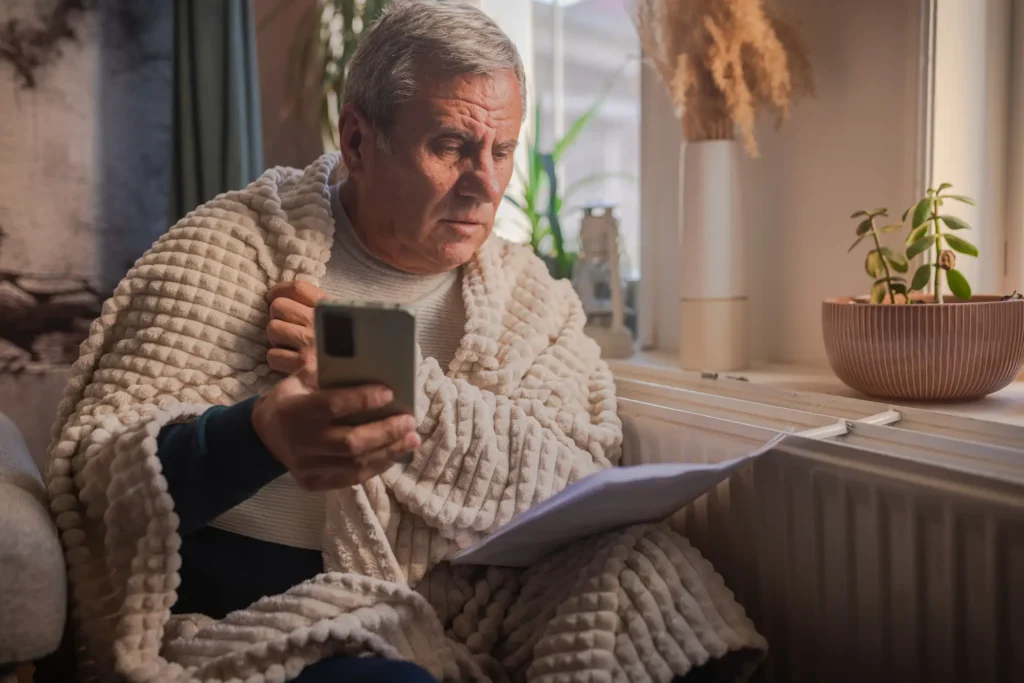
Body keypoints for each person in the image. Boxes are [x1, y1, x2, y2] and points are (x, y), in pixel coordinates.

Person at [48, 2, 766, 681]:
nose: (485, 185)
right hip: (256, 615)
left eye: (503, 150)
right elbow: (97, 478)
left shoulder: (527, 297)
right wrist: (257, 436)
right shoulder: (231, 250)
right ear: (358, 140)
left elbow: (574, 475)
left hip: (472, 604)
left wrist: (406, 388)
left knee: (662, 579)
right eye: (452, 146)